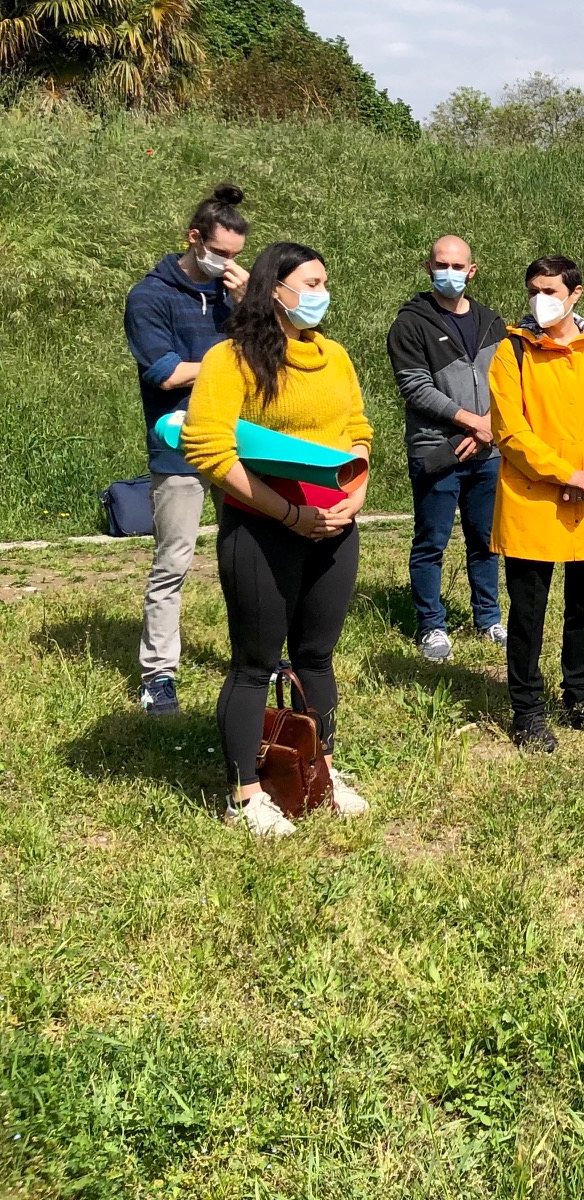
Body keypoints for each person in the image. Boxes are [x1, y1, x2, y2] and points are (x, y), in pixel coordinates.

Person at [180, 242, 373, 838]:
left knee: (316, 657)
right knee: (254, 664)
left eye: (323, 283)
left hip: (335, 527)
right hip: (263, 529)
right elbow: (209, 448)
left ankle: (319, 771)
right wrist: (288, 515)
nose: (320, 294)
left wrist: (356, 493)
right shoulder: (229, 359)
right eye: (310, 283)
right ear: (275, 291)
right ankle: (247, 795)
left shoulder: (335, 357)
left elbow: (358, 431)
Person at [489, 256, 584, 752]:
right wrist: (565, 474)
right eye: (533, 290)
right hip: (535, 500)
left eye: (550, 291)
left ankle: (578, 694)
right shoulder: (512, 352)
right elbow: (510, 430)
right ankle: (527, 710)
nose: (539, 300)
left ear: (575, 295)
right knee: (528, 610)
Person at [122, 184, 251, 718]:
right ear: (194, 239)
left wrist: (248, 307)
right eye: (220, 253)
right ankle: (159, 674)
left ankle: (252, 656)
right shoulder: (148, 297)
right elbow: (168, 373)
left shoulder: (233, 294)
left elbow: (264, 353)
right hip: (177, 446)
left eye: (237, 257)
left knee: (247, 555)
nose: (228, 265)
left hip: (238, 440)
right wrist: (226, 361)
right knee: (173, 561)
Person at [388, 235, 509, 662]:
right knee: (431, 541)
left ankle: (488, 617)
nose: (450, 274)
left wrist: (488, 427)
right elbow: (415, 388)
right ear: (428, 267)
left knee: (485, 539)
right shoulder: (410, 323)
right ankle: (432, 626)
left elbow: (508, 382)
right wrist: (471, 422)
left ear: (472, 271)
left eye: (458, 267)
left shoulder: (492, 321)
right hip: (437, 449)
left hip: (487, 451)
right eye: (442, 265)